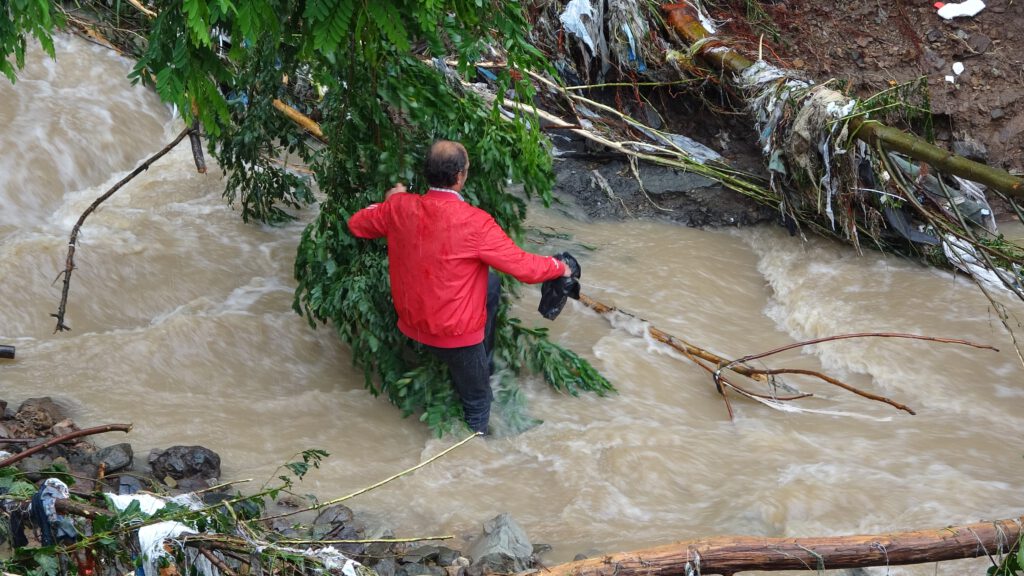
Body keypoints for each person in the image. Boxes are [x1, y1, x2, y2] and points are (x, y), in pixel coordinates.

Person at [347, 140, 571, 434]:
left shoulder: (400, 208)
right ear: (460, 177)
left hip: (411, 323)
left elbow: (357, 224)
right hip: (454, 337)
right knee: (478, 401)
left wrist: (391, 201)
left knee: (491, 282)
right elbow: (526, 269)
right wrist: (560, 266)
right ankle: (477, 447)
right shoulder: (475, 222)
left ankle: (482, 360)